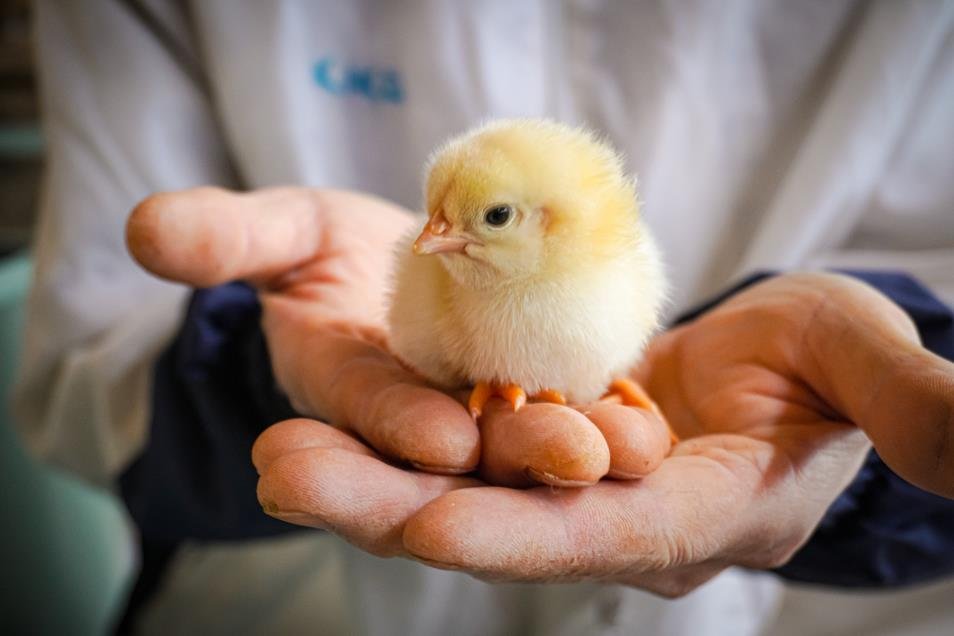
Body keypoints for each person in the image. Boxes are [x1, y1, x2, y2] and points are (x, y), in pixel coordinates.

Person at [15, 1, 954, 634]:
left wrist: (853, 458)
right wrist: (272, 371)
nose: (433, 238)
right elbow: (92, 370)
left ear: (551, 224)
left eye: (484, 219)